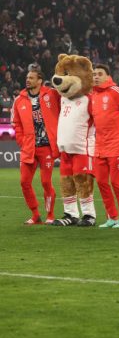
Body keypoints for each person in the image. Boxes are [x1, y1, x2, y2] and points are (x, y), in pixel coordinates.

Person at [12, 67, 60, 224]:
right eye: (27, 77)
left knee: (46, 182)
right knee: (24, 182)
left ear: (40, 80)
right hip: (29, 147)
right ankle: (35, 214)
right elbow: (16, 123)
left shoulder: (51, 94)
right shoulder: (19, 100)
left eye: (31, 77)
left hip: (46, 147)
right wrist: (21, 140)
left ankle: (50, 215)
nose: (28, 80)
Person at [91, 64, 119, 228]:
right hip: (100, 146)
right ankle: (112, 217)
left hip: (117, 144)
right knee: (101, 182)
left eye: (100, 74)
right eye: (94, 74)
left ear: (108, 77)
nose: (96, 77)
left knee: (117, 183)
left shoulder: (114, 91)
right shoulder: (93, 94)